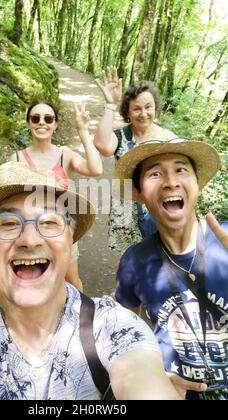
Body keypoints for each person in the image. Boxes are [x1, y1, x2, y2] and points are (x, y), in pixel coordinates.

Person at [0, 161, 182, 400]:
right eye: (7, 223)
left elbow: (143, 377)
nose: (30, 239)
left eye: (49, 222)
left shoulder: (112, 326)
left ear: (70, 244)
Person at [115, 138, 228, 400]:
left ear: (197, 184)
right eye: (155, 173)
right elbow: (122, 338)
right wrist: (149, 379)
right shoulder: (134, 262)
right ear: (138, 194)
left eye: (181, 170)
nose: (170, 181)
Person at [10, 100, 103, 292]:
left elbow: (96, 168)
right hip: (28, 232)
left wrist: (83, 131)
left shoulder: (65, 156)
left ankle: (78, 316)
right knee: (33, 280)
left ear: (55, 124)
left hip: (60, 229)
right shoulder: (16, 159)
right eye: (36, 118)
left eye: (48, 118)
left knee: (71, 281)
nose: (41, 123)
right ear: (28, 124)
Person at [94, 67, 176, 253]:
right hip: (126, 211)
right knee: (131, 263)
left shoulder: (167, 138)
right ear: (127, 113)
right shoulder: (121, 135)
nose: (143, 113)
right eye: (136, 109)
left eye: (148, 107)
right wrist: (109, 104)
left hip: (159, 210)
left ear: (156, 108)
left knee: (161, 260)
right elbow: (101, 145)